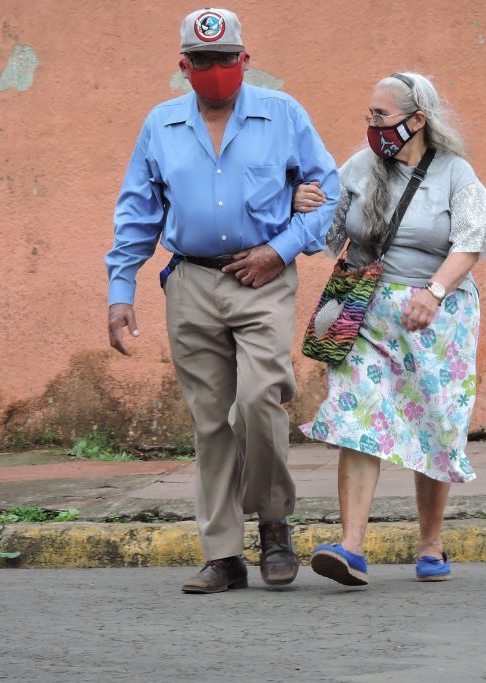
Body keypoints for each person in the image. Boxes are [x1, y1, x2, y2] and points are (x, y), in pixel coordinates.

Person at [106, 8, 339, 594]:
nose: (214, 71)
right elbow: (138, 211)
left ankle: (275, 522)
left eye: (225, 60)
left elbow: (331, 194)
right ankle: (224, 555)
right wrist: (120, 288)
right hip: (190, 283)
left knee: (260, 399)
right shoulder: (161, 125)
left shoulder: (282, 115)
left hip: (263, 280)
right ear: (184, 66)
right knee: (211, 422)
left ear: (245, 60)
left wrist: (281, 249)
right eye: (202, 62)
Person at [294, 72, 486, 586]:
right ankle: (351, 548)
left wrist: (433, 293)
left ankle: (430, 544)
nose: (372, 125)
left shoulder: (456, 174)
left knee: (434, 421)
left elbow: (470, 242)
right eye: (369, 115)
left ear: (417, 120)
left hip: (437, 314)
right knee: (355, 414)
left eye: (381, 116)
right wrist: (303, 204)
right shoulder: (360, 168)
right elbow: (329, 230)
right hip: (364, 312)